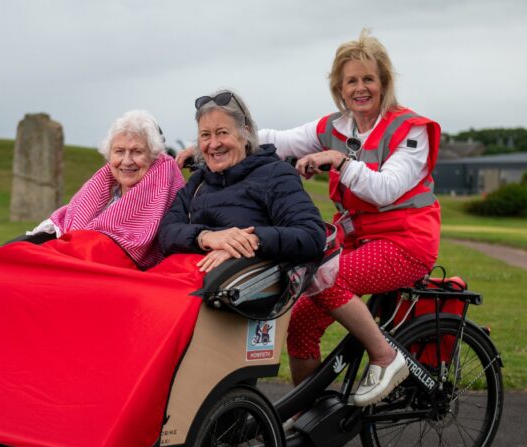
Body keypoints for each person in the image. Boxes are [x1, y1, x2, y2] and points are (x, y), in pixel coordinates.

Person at [177, 30, 441, 407]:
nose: (360, 88)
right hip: (358, 242)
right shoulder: (337, 127)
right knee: (299, 320)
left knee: (321, 275)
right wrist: (215, 141)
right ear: (339, 86)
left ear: (384, 82)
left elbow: (387, 188)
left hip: (406, 244)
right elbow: (276, 139)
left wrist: (339, 162)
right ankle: (306, 415)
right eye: (351, 80)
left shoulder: (410, 130)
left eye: (369, 79)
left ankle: (386, 357)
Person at [159, 89, 325, 275]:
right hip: (183, 273)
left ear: (245, 133)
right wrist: (206, 237)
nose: (213, 144)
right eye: (205, 135)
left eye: (222, 133)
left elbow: (311, 235)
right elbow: (166, 233)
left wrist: (249, 241)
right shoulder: (198, 181)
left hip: (234, 287)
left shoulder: (275, 174)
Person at [26, 110, 185, 269]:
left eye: (137, 152)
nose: (127, 161)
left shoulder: (161, 204)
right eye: (119, 151)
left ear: (154, 157)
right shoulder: (100, 198)